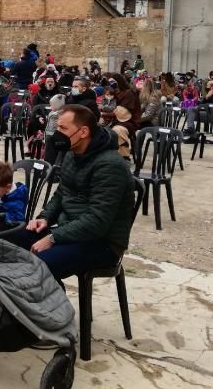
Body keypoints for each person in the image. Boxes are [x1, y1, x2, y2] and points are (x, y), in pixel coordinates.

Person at [9, 104, 135, 280]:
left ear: (83, 132)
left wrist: (53, 238)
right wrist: (45, 218)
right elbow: (61, 194)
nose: (57, 133)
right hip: (70, 231)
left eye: (63, 128)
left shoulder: (110, 165)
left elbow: (97, 221)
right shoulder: (72, 153)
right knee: (10, 238)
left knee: (38, 266)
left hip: (103, 242)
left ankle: (48, 305)